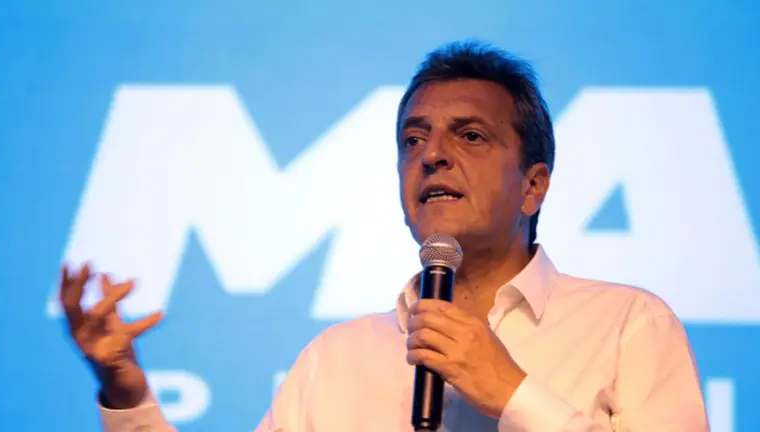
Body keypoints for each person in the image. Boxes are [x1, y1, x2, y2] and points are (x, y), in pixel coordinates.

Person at [60, 41, 709, 431]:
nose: (432, 155)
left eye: (470, 135)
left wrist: (513, 394)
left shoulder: (628, 325)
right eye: (413, 139)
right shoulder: (336, 359)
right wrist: (127, 392)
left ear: (533, 187)